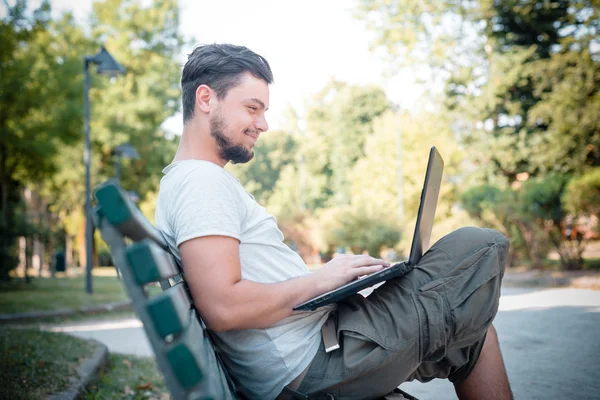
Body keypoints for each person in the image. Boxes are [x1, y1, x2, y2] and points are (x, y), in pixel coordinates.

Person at [155, 43, 513, 400]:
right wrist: (320, 280)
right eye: (252, 108)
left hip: (326, 346)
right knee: (479, 245)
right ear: (205, 99)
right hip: (316, 366)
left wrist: (329, 283)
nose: (262, 124)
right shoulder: (200, 183)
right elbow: (224, 307)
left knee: (472, 336)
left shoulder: (194, 181)